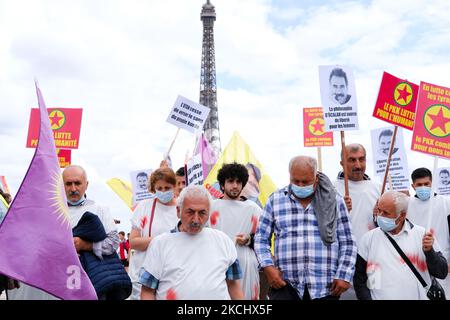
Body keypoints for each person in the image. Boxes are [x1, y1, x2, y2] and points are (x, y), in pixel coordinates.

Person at [255, 156, 357, 300]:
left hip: (325, 288)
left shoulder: (334, 201)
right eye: (295, 181)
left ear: (316, 178)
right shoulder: (275, 200)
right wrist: (268, 267)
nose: (300, 185)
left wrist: (344, 274)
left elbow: (348, 242)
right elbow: (260, 239)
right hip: (285, 286)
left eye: (305, 182)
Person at [139, 185, 244, 300]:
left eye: (202, 213)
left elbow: (233, 285)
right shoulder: (160, 244)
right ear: (178, 211)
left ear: (209, 213)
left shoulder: (223, 241)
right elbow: (147, 291)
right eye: (190, 212)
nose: (195, 220)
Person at [353, 191, 448, 300]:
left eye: (386, 213)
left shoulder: (422, 235)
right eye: (379, 210)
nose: (380, 216)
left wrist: (429, 252)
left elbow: (442, 272)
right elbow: (360, 279)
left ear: (402, 215)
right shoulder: (368, 239)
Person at [210, 162, 262, 299]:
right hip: (218, 266)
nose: (235, 185)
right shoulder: (211, 208)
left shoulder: (254, 209)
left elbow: (265, 239)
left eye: (239, 182)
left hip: (247, 266)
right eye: (230, 181)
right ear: (222, 184)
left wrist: (249, 239)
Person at [128, 167, 179, 300]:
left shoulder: (182, 209)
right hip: (143, 277)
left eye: (167, 188)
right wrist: (160, 240)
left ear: (174, 186)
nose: (163, 191)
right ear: (153, 188)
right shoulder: (144, 207)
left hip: (171, 279)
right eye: (159, 188)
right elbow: (133, 242)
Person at [406, 167, 450, 297]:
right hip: (415, 264)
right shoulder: (407, 205)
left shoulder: (446, 203)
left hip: (443, 263)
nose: (423, 187)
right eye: (419, 185)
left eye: (426, 184)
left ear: (432, 183)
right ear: (413, 186)